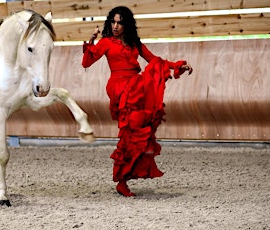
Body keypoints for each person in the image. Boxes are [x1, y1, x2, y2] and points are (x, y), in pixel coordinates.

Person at [82, 6, 193, 197]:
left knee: (138, 134)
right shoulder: (106, 42)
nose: (115, 26)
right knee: (130, 133)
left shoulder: (135, 43)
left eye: (120, 23)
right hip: (119, 88)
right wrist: (92, 40)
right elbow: (86, 62)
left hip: (135, 86)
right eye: (113, 22)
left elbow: (154, 60)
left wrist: (176, 65)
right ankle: (121, 181)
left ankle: (124, 179)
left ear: (127, 25)